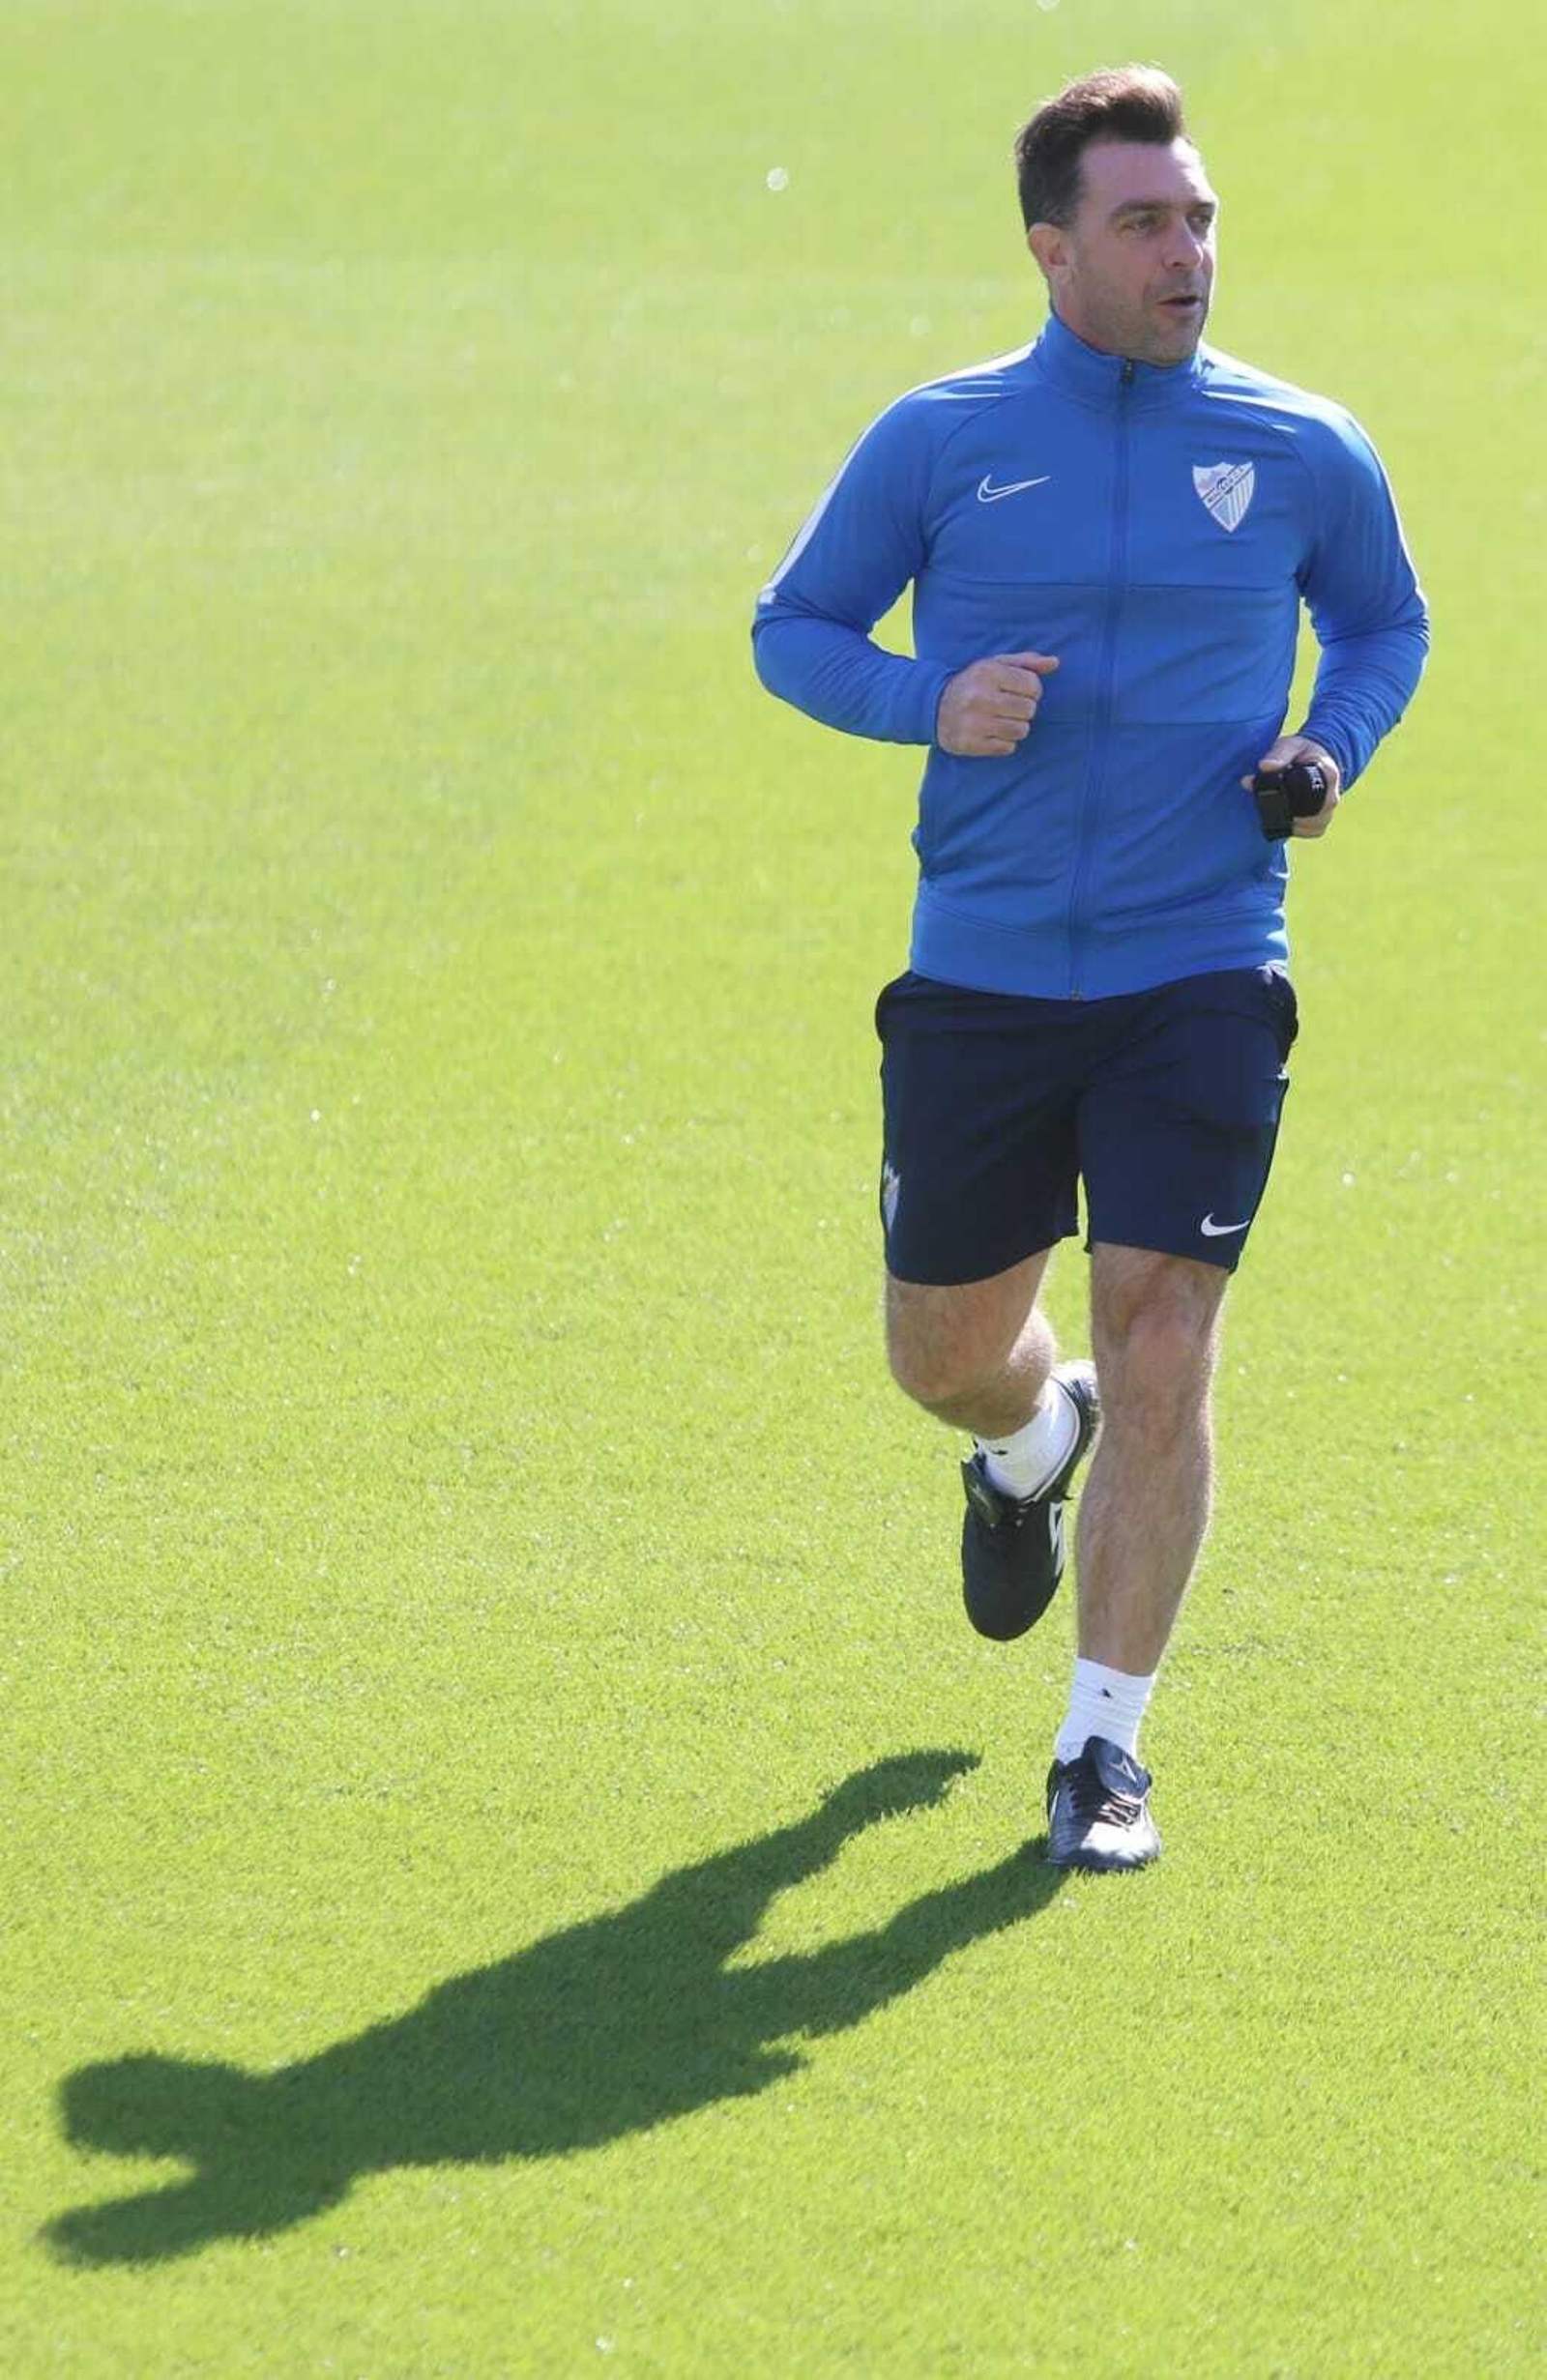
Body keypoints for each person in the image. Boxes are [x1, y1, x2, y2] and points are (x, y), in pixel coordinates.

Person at [750, 65, 1428, 1872]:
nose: (1186, 251)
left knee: (1166, 1331)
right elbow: (792, 626)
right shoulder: (944, 437)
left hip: (1204, 958)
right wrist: (925, 702)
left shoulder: (1301, 443)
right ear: (1055, 252)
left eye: (1198, 216)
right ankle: (1026, 1437)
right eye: (1143, 223)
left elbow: (1384, 619)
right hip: (980, 969)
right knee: (944, 1351)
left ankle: (1103, 1747)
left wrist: (1329, 745)